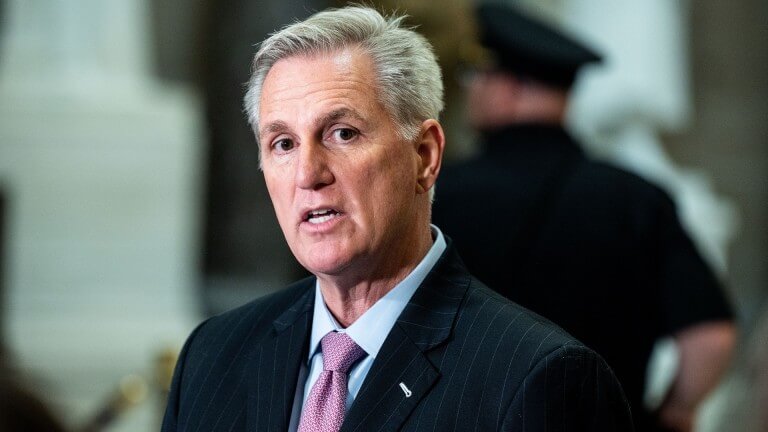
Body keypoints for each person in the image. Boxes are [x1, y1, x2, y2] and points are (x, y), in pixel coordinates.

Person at [162, 6, 632, 432]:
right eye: (283, 143)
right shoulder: (212, 355)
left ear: (425, 156)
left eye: (342, 133)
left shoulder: (539, 376)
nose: (307, 173)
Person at [432, 4, 736, 432]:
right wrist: (674, 414)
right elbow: (709, 336)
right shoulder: (636, 198)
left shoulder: (436, 194)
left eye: (478, 76)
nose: (474, 90)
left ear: (509, 87)